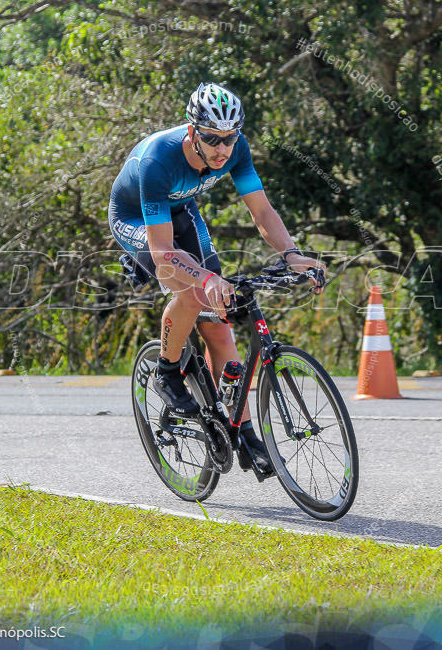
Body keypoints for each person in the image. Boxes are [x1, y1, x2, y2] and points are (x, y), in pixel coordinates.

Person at [108, 82, 325, 473]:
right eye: (211, 138)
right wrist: (206, 280)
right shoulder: (159, 160)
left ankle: (240, 430)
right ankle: (168, 371)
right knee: (193, 291)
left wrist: (292, 255)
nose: (222, 148)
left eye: (229, 138)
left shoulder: (236, 150)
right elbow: (164, 254)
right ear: (193, 131)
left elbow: (262, 212)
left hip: (180, 208)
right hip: (135, 217)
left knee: (222, 325)